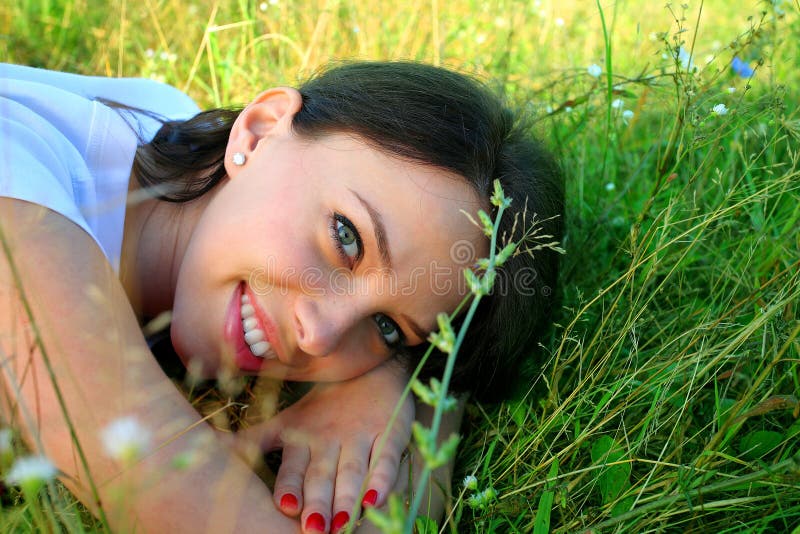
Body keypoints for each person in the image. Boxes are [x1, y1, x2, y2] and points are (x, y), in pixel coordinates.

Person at [0, 61, 563, 532]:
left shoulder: (161, 125)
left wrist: (391, 381)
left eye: (387, 327)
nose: (320, 334)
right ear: (260, 130)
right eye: (347, 236)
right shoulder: (16, 185)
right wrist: (430, 425)